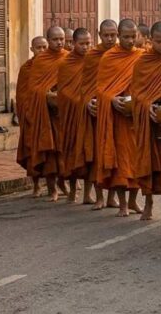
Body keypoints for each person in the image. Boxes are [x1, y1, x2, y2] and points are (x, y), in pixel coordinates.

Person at [90, 19, 144, 217]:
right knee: (121, 162)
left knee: (137, 161)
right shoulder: (109, 58)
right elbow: (101, 89)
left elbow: (147, 85)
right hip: (118, 118)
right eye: (126, 37)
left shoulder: (141, 56)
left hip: (135, 117)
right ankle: (122, 203)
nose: (130, 41)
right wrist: (111, 100)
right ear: (120, 37)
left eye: (133, 36)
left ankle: (133, 201)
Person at [129, 21, 161, 223]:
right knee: (149, 163)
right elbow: (137, 92)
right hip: (149, 120)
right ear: (150, 41)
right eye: (158, 42)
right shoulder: (143, 62)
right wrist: (146, 104)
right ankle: (148, 205)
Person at [20, 27, 69, 202]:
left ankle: (63, 184)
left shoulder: (67, 58)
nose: (60, 42)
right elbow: (33, 90)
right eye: (55, 39)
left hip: (62, 115)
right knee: (49, 153)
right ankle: (51, 189)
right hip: (45, 114)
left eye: (62, 39)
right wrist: (46, 94)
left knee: (63, 152)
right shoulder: (41, 62)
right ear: (49, 40)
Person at [77, 20, 120, 209]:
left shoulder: (119, 55)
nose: (110, 39)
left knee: (112, 154)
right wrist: (87, 102)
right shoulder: (92, 55)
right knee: (97, 155)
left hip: (115, 111)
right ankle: (99, 196)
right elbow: (84, 87)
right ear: (99, 34)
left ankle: (112, 197)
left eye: (113, 35)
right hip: (95, 112)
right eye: (106, 35)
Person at [55, 28, 92, 203]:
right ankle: (71, 191)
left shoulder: (94, 61)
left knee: (89, 153)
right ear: (74, 43)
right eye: (82, 44)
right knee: (71, 152)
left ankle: (87, 194)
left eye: (88, 43)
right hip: (71, 115)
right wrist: (80, 100)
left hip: (89, 115)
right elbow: (64, 91)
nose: (86, 47)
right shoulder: (65, 63)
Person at [15, 35, 49, 196]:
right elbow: (22, 95)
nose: (41, 51)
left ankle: (53, 186)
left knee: (51, 154)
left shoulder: (52, 67)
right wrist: (27, 113)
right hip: (31, 116)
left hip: (48, 117)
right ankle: (36, 185)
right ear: (32, 49)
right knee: (32, 151)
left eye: (44, 47)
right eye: (38, 48)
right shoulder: (26, 69)